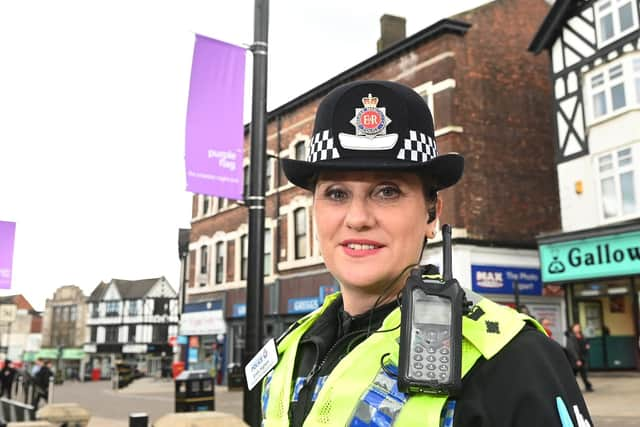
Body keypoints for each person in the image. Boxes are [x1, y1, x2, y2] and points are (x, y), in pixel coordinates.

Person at [259, 80, 592, 426]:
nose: (357, 218)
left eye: (387, 192)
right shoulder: (288, 351)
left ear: (432, 214)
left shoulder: (512, 359)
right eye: (337, 194)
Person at [565, 322, 594, 392]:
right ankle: (570, 388)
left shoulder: (582, 336)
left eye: (578, 327)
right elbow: (571, 348)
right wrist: (577, 359)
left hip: (582, 357)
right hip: (575, 359)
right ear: (572, 328)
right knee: (572, 374)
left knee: (583, 373)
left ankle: (588, 386)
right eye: (576, 327)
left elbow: (584, 344)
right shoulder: (570, 337)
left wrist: (586, 346)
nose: (577, 328)